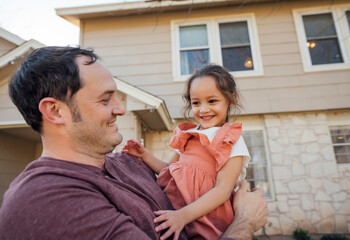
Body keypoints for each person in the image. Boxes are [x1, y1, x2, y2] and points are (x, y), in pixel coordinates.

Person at [0, 46, 267, 240]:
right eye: (105, 100)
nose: (120, 109)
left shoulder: (129, 165)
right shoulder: (46, 200)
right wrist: (244, 223)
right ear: (56, 112)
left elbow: (174, 174)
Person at [122, 65, 251, 240]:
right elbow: (168, 170)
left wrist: (183, 216)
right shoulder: (188, 136)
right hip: (175, 212)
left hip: (208, 218)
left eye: (212, 101)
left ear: (231, 100)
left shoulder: (230, 140)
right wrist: (144, 155)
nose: (203, 109)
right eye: (196, 103)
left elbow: (223, 190)